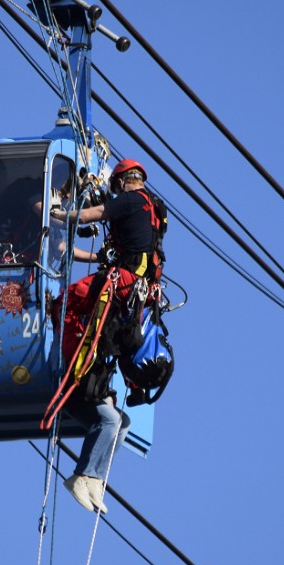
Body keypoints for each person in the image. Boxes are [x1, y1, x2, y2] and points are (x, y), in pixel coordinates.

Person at [50, 158, 167, 514]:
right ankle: (92, 477)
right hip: (137, 294)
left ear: (121, 182)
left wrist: (59, 214)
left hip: (121, 286)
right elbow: (111, 254)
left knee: (64, 303)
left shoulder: (131, 200)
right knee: (120, 419)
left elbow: (91, 215)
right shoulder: (153, 211)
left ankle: (90, 476)